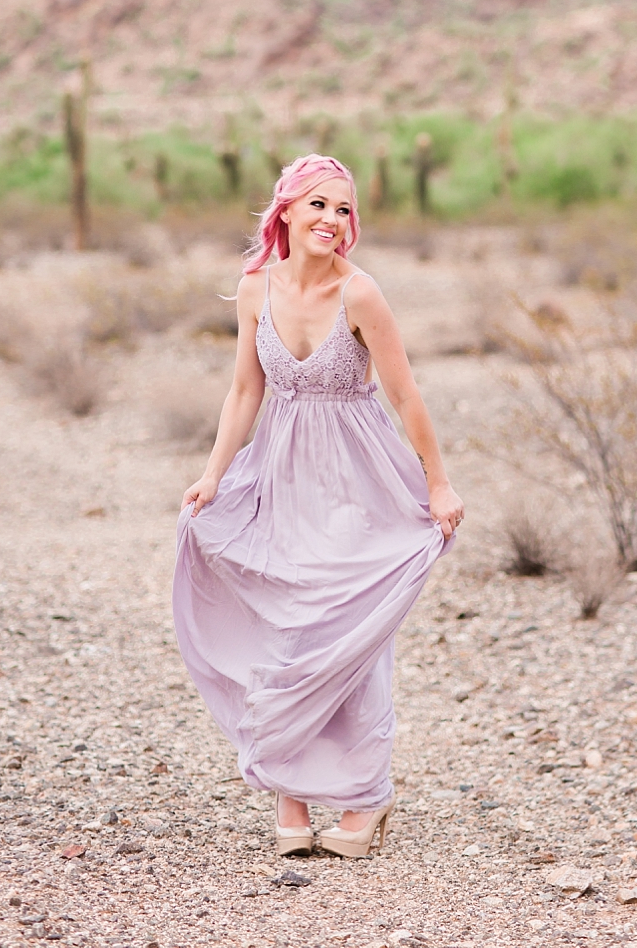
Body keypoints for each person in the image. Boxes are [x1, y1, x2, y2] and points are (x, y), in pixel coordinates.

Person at [173, 153, 463, 859]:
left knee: (342, 628)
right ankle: (291, 792)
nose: (333, 219)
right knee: (283, 625)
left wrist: (438, 482)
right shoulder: (254, 289)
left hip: (356, 475)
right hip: (281, 468)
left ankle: (366, 795)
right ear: (287, 211)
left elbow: (405, 395)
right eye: (319, 205)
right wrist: (213, 475)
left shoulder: (361, 295)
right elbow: (246, 392)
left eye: (343, 208)